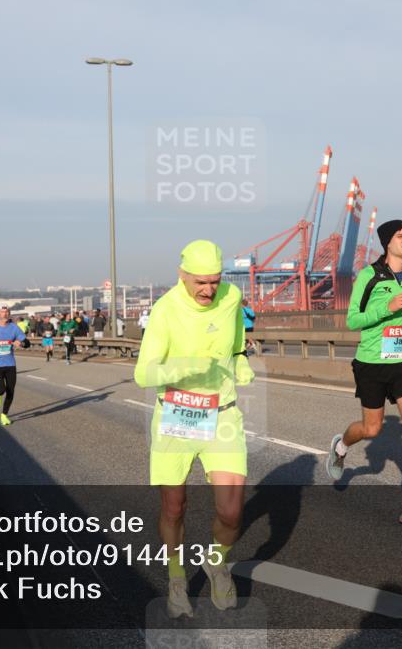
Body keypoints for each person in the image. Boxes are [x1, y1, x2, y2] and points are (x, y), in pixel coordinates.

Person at [134, 239, 254, 619]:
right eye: (200, 282)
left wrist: (240, 360)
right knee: (174, 506)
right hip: (177, 414)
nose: (208, 290)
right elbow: (143, 373)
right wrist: (182, 368)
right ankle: (175, 578)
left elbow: (235, 344)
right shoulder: (165, 310)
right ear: (182, 275)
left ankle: (215, 562)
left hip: (221, 413)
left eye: (214, 281)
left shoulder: (231, 297)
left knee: (232, 511)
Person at [325, 220, 402, 526]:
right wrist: (386, 308)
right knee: (371, 429)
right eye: (400, 236)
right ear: (387, 242)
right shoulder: (369, 275)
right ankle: (341, 446)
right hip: (372, 362)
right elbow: (351, 320)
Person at [0, 306, 27, 426]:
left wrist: (21, 342)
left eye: (7, 312)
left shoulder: (14, 328)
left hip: (10, 364)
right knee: (1, 389)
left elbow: (27, 342)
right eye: (2, 312)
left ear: (9, 314)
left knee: (10, 390)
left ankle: (4, 415)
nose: (5, 313)